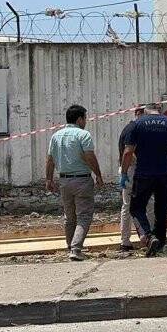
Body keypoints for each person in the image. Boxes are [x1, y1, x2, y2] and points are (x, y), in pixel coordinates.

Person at [121, 102, 167, 257]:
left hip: (144, 174)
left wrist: (123, 173)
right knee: (162, 209)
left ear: (145, 111)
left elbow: (128, 152)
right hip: (166, 174)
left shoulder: (137, 124)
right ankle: (160, 243)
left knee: (136, 208)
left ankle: (149, 237)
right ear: (159, 111)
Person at [45, 104, 105, 261]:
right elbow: (89, 157)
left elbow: (50, 160)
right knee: (84, 215)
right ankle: (76, 249)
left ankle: (70, 246)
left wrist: (49, 179)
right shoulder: (83, 135)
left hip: (64, 180)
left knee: (69, 216)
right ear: (79, 119)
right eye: (85, 118)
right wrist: (98, 175)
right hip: (82, 180)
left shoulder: (56, 136)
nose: (86, 121)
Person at [117, 106, 145, 252]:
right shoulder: (135, 129)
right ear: (139, 114)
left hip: (128, 170)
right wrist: (125, 173)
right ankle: (147, 235)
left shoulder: (128, 128)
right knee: (147, 204)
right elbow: (128, 153)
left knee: (127, 206)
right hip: (133, 170)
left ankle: (126, 241)